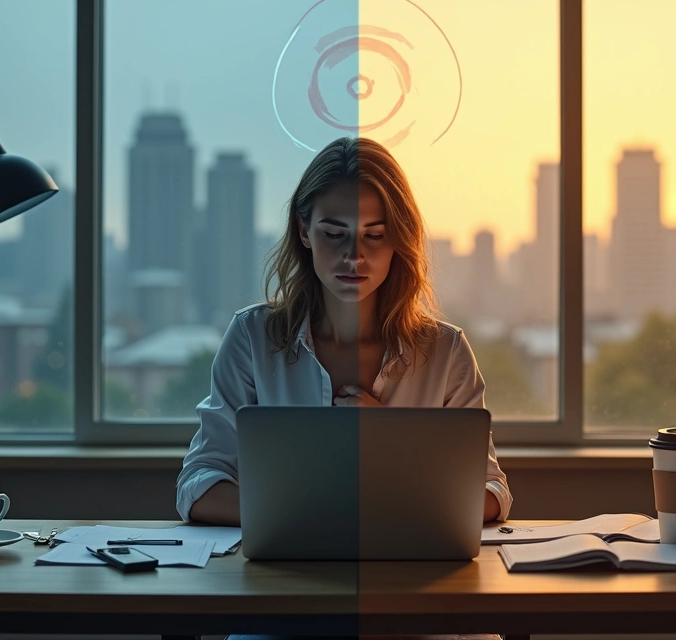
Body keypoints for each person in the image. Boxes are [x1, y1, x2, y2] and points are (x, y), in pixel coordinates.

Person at [175, 136, 512, 527]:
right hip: (285, 579)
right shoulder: (253, 337)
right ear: (304, 232)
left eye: (374, 235)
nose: (354, 255)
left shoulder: (446, 350)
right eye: (334, 234)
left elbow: (492, 494)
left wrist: (392, 440)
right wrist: (318, 515)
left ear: (398, 238)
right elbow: (197, 486)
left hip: (407, 578)